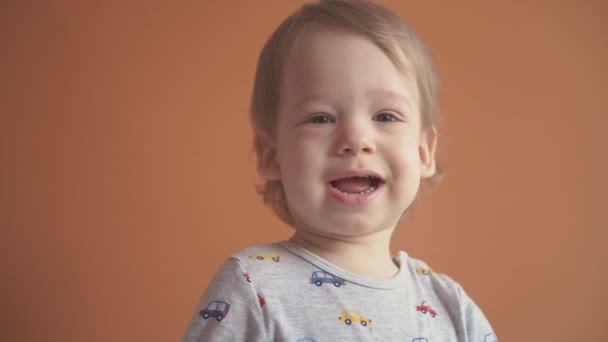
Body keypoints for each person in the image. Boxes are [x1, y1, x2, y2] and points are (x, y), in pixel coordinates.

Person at [183, 0, 497, 340]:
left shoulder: (451, 306)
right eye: (321, 118)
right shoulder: (252, 285)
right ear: (272, 156)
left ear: (424, 152)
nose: (356, 139)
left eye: (385, 116)